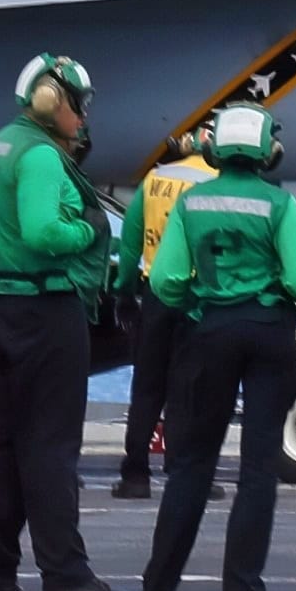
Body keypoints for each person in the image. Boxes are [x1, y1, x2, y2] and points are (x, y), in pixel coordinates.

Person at [0, 53, 135, 591]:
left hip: (3, 312)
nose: (82, 119)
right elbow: (42, 233)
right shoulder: (40, 157)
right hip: (47, 312)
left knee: (9, 447)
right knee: (53, 448)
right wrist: (85, 229)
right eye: (77, 106)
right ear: (51, 100)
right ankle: (65, 576)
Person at [137, 102, 296, 591]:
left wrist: (202, 296)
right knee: (258, 469)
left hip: (208, 332)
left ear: (214, 149)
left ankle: (157, 589)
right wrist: (268, 290)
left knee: (192, 465)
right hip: (266, 333)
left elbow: (166, 280)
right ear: (269, 152)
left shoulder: (193, 204)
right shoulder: (278, 205)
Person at [110, 120, 219, 502]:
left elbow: (130, 240)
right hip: (197, 298)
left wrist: (123, 290)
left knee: (147, 388)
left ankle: (135, 475)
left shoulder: (156, 178)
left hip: (153, 293)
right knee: (188, 390)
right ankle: (182, 471)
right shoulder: (216, 183)